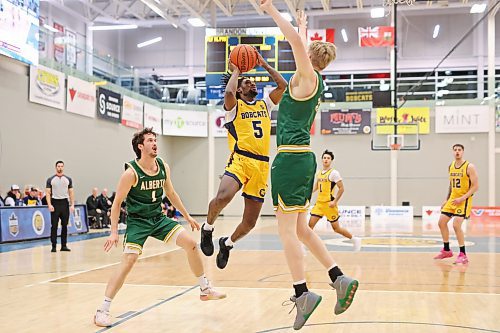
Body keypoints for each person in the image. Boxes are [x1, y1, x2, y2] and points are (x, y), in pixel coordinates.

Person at [261, 3, 358, 330]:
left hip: (290, 159)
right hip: (301, 158)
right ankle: (339, 278)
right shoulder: (309, 81)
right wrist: (303, 26)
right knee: (302, 229)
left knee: (286, 231)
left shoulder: (306, 77)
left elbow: (297, 46)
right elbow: (302, 46)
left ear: (309, 59)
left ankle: (303, 293)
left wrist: (271, 10)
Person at [93, 127, 226, 328]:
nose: (154, 143)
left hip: (158, 218)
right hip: (138, 222)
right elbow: (117, 203)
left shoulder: (163, 165)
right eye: (149, 140)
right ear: (140, 146)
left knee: (191, 244)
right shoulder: (130, 173)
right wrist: (113, 232)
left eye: (155, 140)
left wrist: (188, 216)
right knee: (129, 261)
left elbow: (171, 194)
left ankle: (204, 289)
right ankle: (102, 310)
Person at [200, 50, 287, 269]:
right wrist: (238, 69)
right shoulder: (233, 107)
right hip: (240, 160)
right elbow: (229, 93)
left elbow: (282, 85)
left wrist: (263, 64)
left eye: (252, 82)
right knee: (223, 197)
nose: (252, 85)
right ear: (239, 88)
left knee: (249, 223)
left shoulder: (264, 105)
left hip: (261, 166)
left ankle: (227, 244)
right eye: (247, 83)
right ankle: (207, 229)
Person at [434, 144, 478, 264]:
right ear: (452, 152)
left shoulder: (469, 167)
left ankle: (463, 254)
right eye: (455, 150)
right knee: (441, 222)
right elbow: (451, 185)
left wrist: (462, 198)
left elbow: (475, 186)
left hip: (464, 200)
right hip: (453, 199)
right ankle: (447, 250)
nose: (457, 152)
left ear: (463, 152)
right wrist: (446, 199)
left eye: (459, 150)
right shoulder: (451, 166)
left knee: (456, 225)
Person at [309, 150, 361, 251]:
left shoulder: (334, 173)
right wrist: (308, 193)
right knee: (309, 226)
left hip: (329, 205)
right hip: (319, 204)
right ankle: (305, 245)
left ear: (331, 160)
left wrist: (335, 201)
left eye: (328, 158)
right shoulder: (319, 173)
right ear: (322, 159)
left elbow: (341, 188)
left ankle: (355, 239)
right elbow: (316, 186)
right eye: (324, 158)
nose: (326, 160)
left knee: (336, 229)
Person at [46, 161, 75, 252]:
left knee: (64, 226)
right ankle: (54, 246)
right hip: (55, 203)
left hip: (64, 203)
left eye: (61, 166)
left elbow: (71, 192)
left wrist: (72, 204)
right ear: (56, 167)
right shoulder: (50, 179)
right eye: (58, 166)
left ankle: (64, 245)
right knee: (54, 225)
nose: (60, 168)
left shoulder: (68, 179)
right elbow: (47, 193)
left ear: (63, 167)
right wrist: (49, 204)